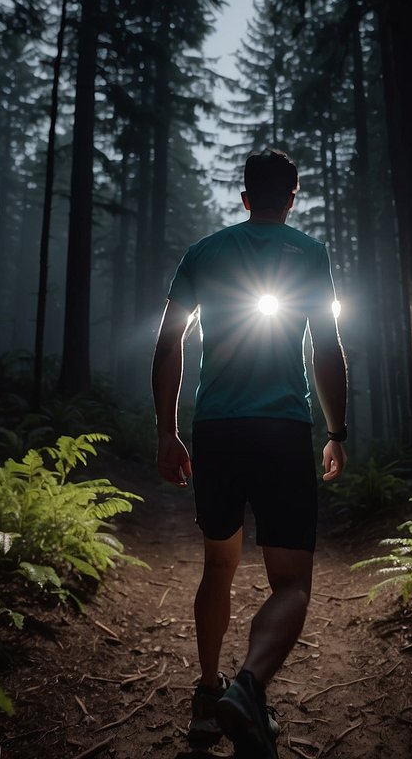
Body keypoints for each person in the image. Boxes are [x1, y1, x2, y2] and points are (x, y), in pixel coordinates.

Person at [152, 149, 348, 759]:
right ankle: (249, 686)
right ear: (291, 199)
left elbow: (167, 344)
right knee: (291, 583)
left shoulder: (203, 254)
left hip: (217, 430)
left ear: (244, 198)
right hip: (284, 432)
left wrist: (166, 430)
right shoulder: (310, 254)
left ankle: (210, 697)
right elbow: (328, 351)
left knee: (218, 567)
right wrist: (337, 430)